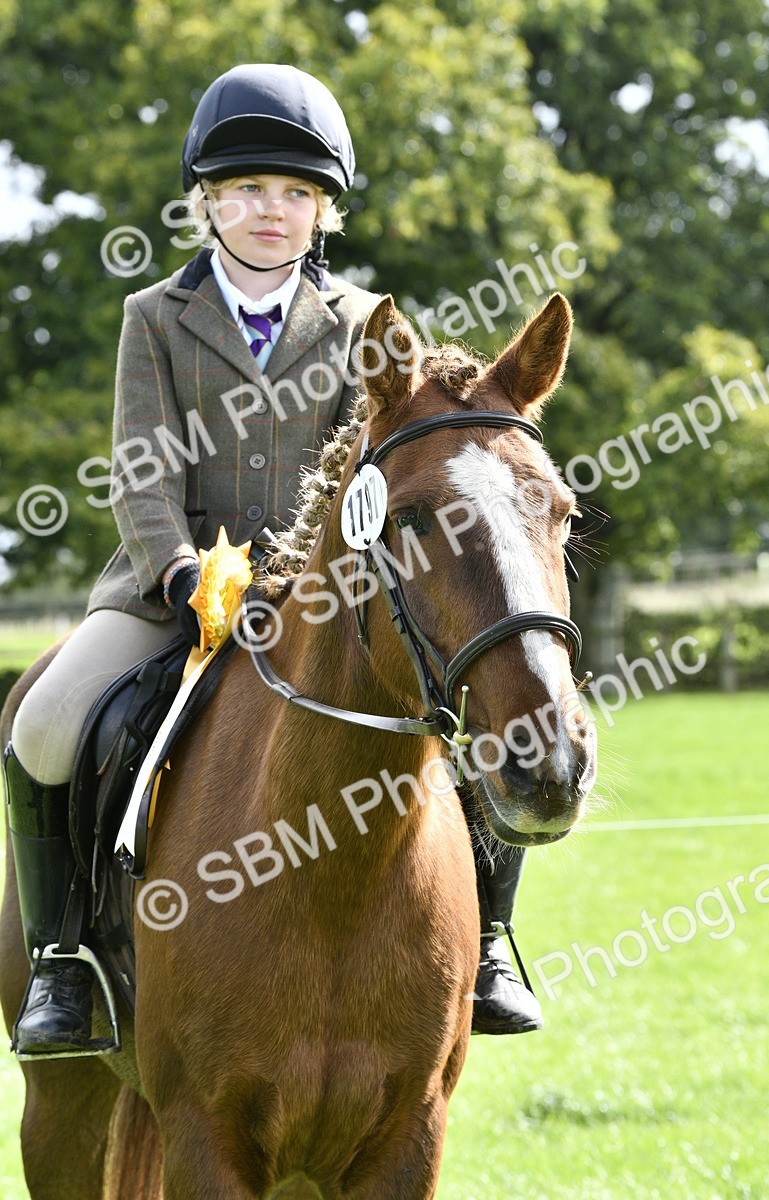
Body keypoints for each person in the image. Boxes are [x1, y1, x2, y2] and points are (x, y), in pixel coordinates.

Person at [3, 63, 541, 1057]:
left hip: (328, 598)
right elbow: (140, 476)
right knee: (45, 724)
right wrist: (184, 578)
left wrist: (306, 584)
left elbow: (373, 480)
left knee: (472, 711)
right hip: (167, 590)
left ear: (323, 212)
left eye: (295, 193)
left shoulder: (368, 325)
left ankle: (491, 942)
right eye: (247, 188)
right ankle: (62, 960)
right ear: (206, 200)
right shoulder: (153, 317)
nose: (270, 210)